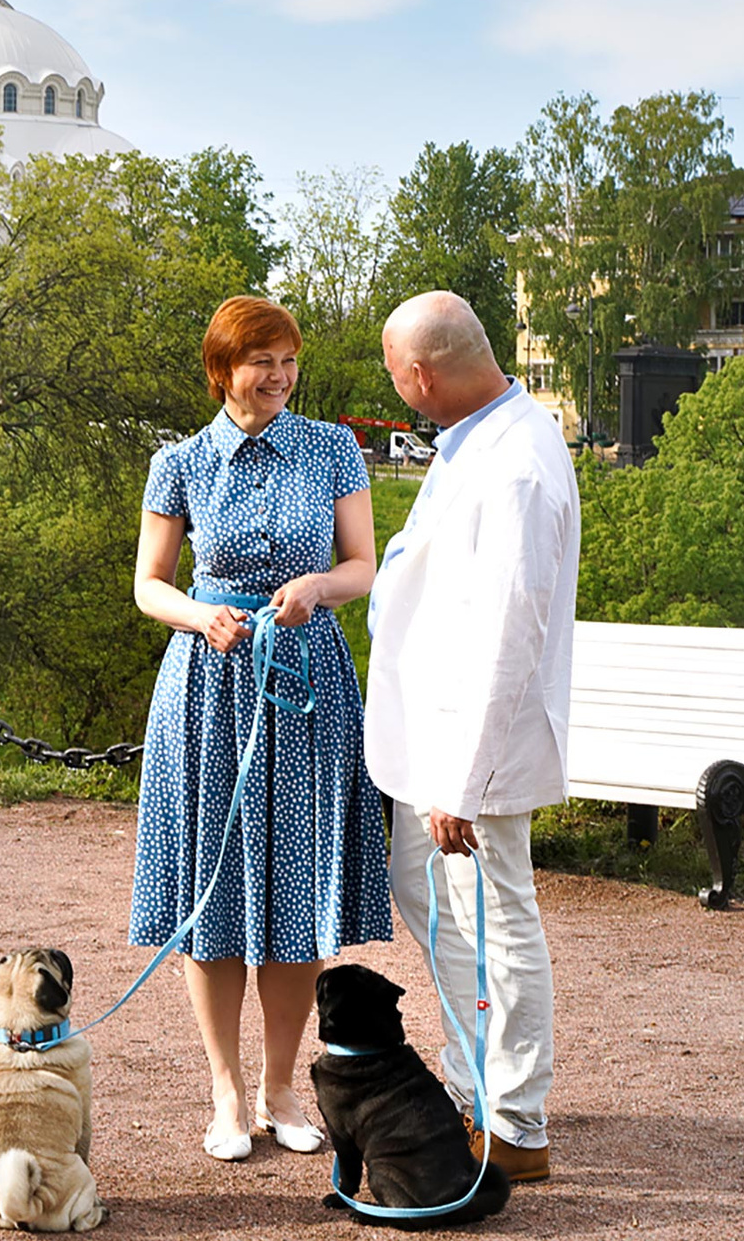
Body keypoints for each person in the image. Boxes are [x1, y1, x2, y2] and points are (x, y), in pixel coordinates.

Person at [131, 295, 390, 1163]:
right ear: (222, 370)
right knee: (213, 897)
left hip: (306, 681)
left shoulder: (330, 447)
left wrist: (318, 587)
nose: (279, 377)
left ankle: (282, 1086)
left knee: (293, 891)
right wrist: (200, 615)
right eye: (261, 362)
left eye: (288, 361)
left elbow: (364, 563)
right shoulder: (179, 461)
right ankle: (225, 1091)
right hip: (209, 684)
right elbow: (149, 586)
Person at [365, 290, 580, 1183]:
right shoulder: (475, 442)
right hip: (433, 740)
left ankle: (518, 1124)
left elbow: (512, 629)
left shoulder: (518, 465)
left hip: (470, 751)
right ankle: (472, 1087)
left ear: (421, 375)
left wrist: (466, 777)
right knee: (437, 905)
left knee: (499, 920)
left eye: (394, 375)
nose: (396, 390)